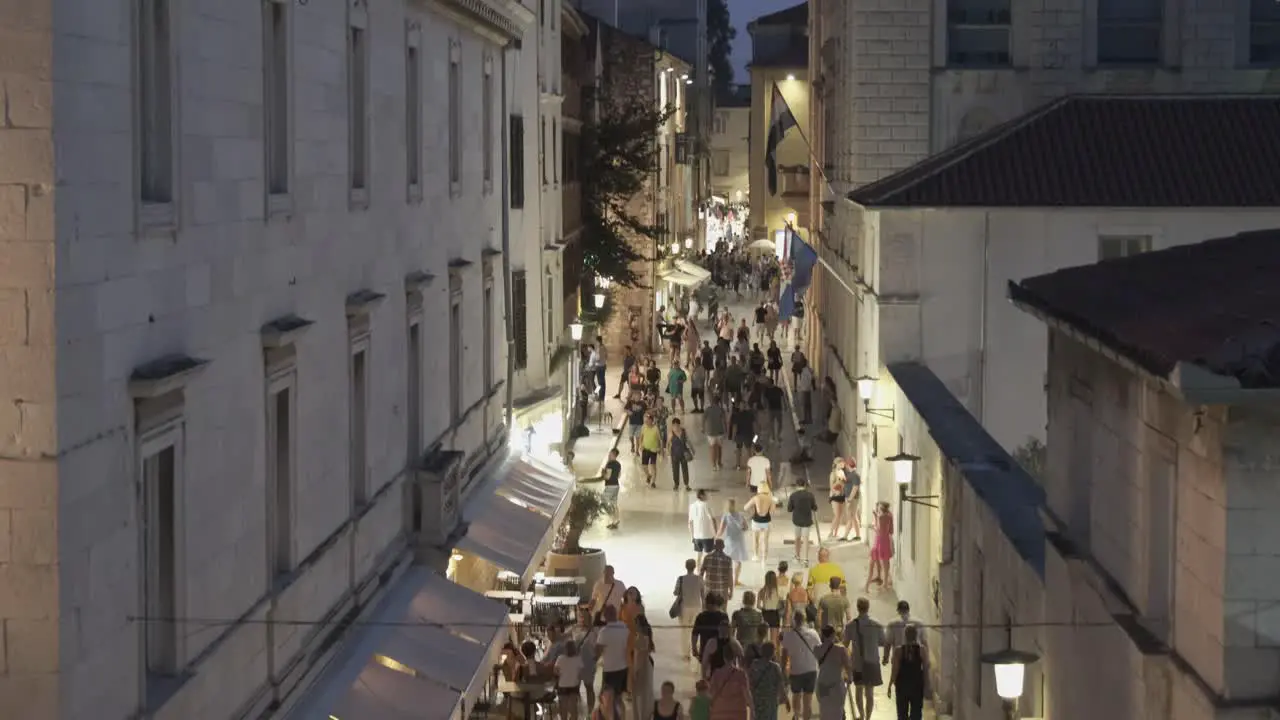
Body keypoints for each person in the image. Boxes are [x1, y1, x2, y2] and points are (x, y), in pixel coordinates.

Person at [844, 597, 886, 720]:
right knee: (870, 692)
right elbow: (882, 642)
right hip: (872, 662)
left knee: (858, 690)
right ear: (868, 607)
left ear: (857, 607)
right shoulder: (876, 624)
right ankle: (868, 717)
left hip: (858, 663)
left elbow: (845, 644)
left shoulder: (851, 625)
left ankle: (861, 716)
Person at [779, 611, 821, 720]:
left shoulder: (788, 635)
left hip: (796, 670)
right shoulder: (813, 633)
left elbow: (784, 655)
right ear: (805, 620)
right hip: (811, 669)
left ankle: (797, 716)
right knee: (808, 701)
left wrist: (783, 670)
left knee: (796, 696)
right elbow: (820, 650)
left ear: (794, 621)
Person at [888, 625, 929, 720]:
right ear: (916, 635)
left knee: (902, 714)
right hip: (917, 685)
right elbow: (926, 669)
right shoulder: (922, 650)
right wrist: (927, 685)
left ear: (905, 636)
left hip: (902, 685)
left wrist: (890, 684)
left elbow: (895, 669)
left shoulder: (898, 650)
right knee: (916, 713)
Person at [814, 625, 853, 720]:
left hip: (822, 684)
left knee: (824, 713)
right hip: (836, 685)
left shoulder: (817, 649)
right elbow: (848, 666)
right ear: (833, 634)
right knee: (837, 714)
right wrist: (850, 678)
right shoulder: (841, 650)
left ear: (822, 635)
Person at [707, 643, 752, 720]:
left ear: (724, 657)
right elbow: (746, 693)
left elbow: (711, 693)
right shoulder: (741, 674)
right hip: (737, 713)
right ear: (734, 657)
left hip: (719, 712)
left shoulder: (717, 674)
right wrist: (752, 709)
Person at [747, 642, 789, 720]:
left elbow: (749, 682)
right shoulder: (775, 667)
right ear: (772, 653)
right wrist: (786, 700)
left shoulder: (754, 665)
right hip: (770, 703)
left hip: (757, 700)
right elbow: (781, 685)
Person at [674, 558, 707, 659]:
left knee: (685, 630)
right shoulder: (700, 579)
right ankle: (694, 650)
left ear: (686, 567)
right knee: (695, 630)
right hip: (697, 607)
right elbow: (703, 594)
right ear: (695, 567)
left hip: (685, 607)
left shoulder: (681, 579)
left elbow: (675, 592)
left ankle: (685, 653)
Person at [596, 605, 631, 696]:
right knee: (619, 696)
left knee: (606, 697)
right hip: (623, 668)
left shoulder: (604, 632)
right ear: (616, 614)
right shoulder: (625, 629)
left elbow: (597, 652)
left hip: (610, 670)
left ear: (605, 616)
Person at [787, 478, 819, 566]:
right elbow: (815, 507)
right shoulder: (810, 495)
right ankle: (805, 560)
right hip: (807, 521)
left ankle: (797, 557)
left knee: (797, 539)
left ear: (797, 485)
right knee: (806, 540)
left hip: (797, 521)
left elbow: (789, 509)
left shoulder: (793, 495)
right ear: (805, 485)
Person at [692, 593, 730, 667]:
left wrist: (694, 648)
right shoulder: (724, 616)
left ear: (708, 603)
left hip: (704, 650)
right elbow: (728, 634)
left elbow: (695, 634)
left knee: (705, 675)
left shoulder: (701, 617)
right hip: (720, 652)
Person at [717, 499, 749, 586]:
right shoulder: (740, 515)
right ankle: (735, 581)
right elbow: (746, 527)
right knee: (737, 561)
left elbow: (721, 530)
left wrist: (715, 537)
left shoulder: (726, 516)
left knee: (727, 560)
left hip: (729, 540)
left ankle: (725, 579)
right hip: (739, 540)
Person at [866, 502, 896, 592]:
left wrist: (872, 524)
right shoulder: (890, 515)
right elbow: (891, 530)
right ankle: (885, 582)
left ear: (881, 508)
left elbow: (878, 529)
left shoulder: (880, 517)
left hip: (880, 540)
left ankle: (872, 583)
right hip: (887, 540)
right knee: (886, 562)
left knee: (877, 561)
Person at [630, 614, 655, 720]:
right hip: (647, 665)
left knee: (639, 694)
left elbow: (640, 656)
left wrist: (635, 671)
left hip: (641, 667)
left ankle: (640, 716)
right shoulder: (646, 637)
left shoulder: (640, 638)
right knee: (646, 692)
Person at [554, 636, 585, 720]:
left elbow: (555, 671)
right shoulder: (578, 659)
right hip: (574, 685)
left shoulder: (560, 658)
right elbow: (581, 674)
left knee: (563, 709)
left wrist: (561, 674)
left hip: (562, 685)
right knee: (573, 709)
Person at [743, 486, 774, 562]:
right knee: (765, 540)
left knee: (755, 539)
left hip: (756, 521)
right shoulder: (770, 498)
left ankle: (755, 556)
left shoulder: (756, 498)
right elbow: (772, 511)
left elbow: (745, 508)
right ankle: (764, 558)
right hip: (766, 521)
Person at [689, 490, 717, 569]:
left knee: (699, 555)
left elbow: (690, 522)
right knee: (708, 555)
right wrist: (715, 533)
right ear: (701, 496)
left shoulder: (692, 506)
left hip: (696, 536)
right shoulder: (706, 505)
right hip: (707, 535)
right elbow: (712, 519)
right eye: (706, 494)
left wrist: (692, 536)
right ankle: (708, 573)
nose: (707, 496)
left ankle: (698, 571)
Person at [700, 538, 735, 603]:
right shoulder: (728, 559)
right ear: (723, 547)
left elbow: (701, 574)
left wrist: (700, 589)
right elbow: (730, 577)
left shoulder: (707, 557)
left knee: (707, 610)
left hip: (709, 589)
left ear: (714, 546)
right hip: (722, 590)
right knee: (722, 611)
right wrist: (731, 591)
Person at [757, 571, 784, 644]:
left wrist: (764, 609)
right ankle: (773, 654)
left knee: (764, 638)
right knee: (774, 639)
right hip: (775, 614)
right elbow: (781, 604)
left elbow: (758, 606)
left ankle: (764, 653)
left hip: (765, 614)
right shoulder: (778, 591)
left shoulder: (762, 591)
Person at [702, 394, 727, 472]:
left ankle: (713, 465)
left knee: (712, 448)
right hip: (720, 431)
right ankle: (719, 462)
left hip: (710, 431)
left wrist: (703, 428)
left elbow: (703, 420)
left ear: (712, 402)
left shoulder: (707, 410)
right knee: (719, 447)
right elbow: (724, 421)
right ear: (719, 402)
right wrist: (726, 430)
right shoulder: (721, 409)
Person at [729, 401, 755, 470]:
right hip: (748, 435)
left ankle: (738, 465)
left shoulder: (736, 415)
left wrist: (733, 437)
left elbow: (735, 427)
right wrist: (755, 437)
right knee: (749, 450)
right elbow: (754, 425)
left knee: (738, 450)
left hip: (739, 435)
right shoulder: (750, 414)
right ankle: (751, 466)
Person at [826, 459, 848, 542]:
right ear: (837, 463)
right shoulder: (833, 474)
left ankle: (836, 533)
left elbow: (844, 483)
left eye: (843, 462)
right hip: (835, 496)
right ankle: (831, 533)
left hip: (842, 495)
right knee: (837, 515)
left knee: (840, 515)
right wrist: (836, 491)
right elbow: (831, 486)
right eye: (841, 462)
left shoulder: (842, 472)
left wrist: (843, 483)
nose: (843, 464)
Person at [669, 418, 693, 491]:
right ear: (672, 425)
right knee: (675, 470)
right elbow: (667, 443)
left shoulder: (684, 432)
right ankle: (676, 484)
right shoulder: (671, 433)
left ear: (679, 425)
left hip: (683, 453)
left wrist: (692, 449)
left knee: (685, 469)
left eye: (677, 425)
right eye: (674, 425)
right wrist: (667, 452)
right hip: (674, 454)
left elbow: (688, 441)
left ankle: (686, 485)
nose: (676, 427)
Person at [639, 413, 662, 488]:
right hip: (645, 449)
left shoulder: (656, 428)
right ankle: (648, 475)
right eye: (646, 420)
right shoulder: (643, 427)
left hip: (653, 450)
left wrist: (660, 449)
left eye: (648, 420)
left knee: (653, 466)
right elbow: (641, 437)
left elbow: (660, 439)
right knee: (644, 466)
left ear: (652, 421)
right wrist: (640, 445)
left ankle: (653, 482)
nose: (647, 422)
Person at [602, 449, 622, 529]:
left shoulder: (610, 464)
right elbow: (619, 476)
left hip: (610, 485)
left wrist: (603, 474)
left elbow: (608, 477)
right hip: (616, 485)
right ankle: (616, 520)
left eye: (609, 454)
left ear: (613, 454)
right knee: (614, 503)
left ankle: (612, 519)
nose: (608, 455)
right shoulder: (618, 464)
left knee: (604, 502)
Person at [761, 379, 785, 444]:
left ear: (770, 383)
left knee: (774, 423)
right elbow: (764, 399)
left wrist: (764, 407)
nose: (766, 384)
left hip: (773, 409)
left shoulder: (770, 390)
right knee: (776, 423)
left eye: (767, 383)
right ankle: (776, 436)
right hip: (776, 409)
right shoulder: (777, 389)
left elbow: (782, 397)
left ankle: (775, 436)